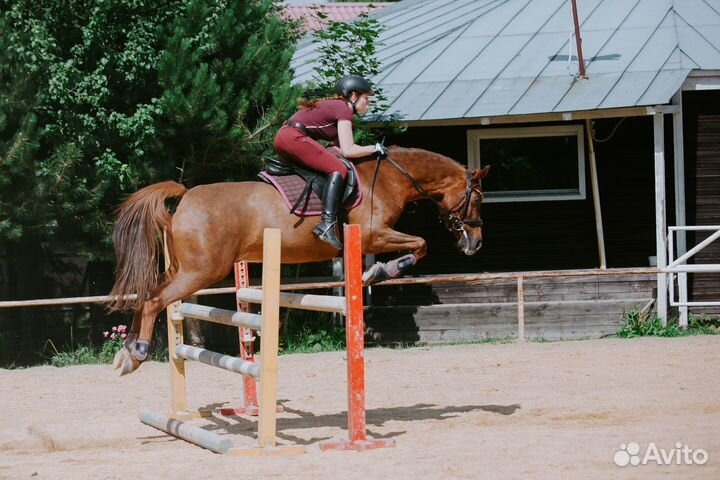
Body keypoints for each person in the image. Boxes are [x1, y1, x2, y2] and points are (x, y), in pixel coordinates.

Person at [273, 74, 389, 249]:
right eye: (366, 98)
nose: (369, 103)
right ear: (353, 96)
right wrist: (375, 148)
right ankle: (327, 224)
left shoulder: (336, 107)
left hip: (285, 137)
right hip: (293, 138)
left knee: (329, 167)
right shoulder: (344, 109)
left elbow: (338, 148)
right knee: (339, 170)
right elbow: (349, 150)